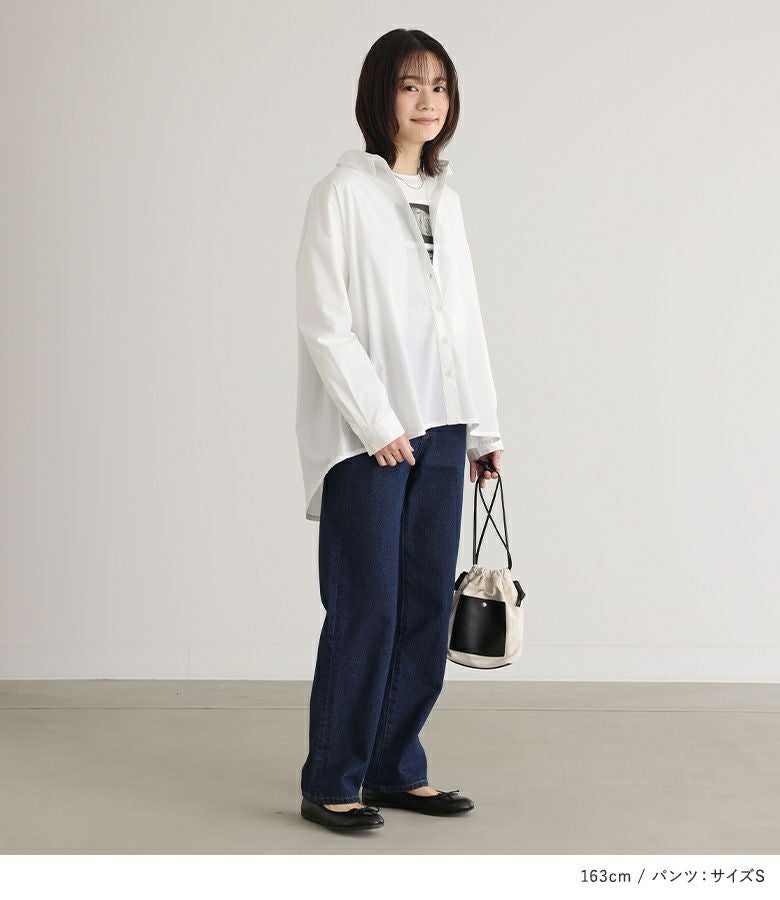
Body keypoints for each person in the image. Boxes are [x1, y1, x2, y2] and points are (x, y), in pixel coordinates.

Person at [295, 28, 504, 832]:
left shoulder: (448, 201)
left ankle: (392, 768)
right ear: (379, 94)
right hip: (370, 435)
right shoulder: (341, 194)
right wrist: (378, 421)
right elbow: (325, 323)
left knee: (422, 606)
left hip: (444, 427)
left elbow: (464, 323)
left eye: (439, 87)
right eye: (411, 85)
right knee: (366, 609)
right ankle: (331, 780)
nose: (427, 101)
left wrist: (482, 429)